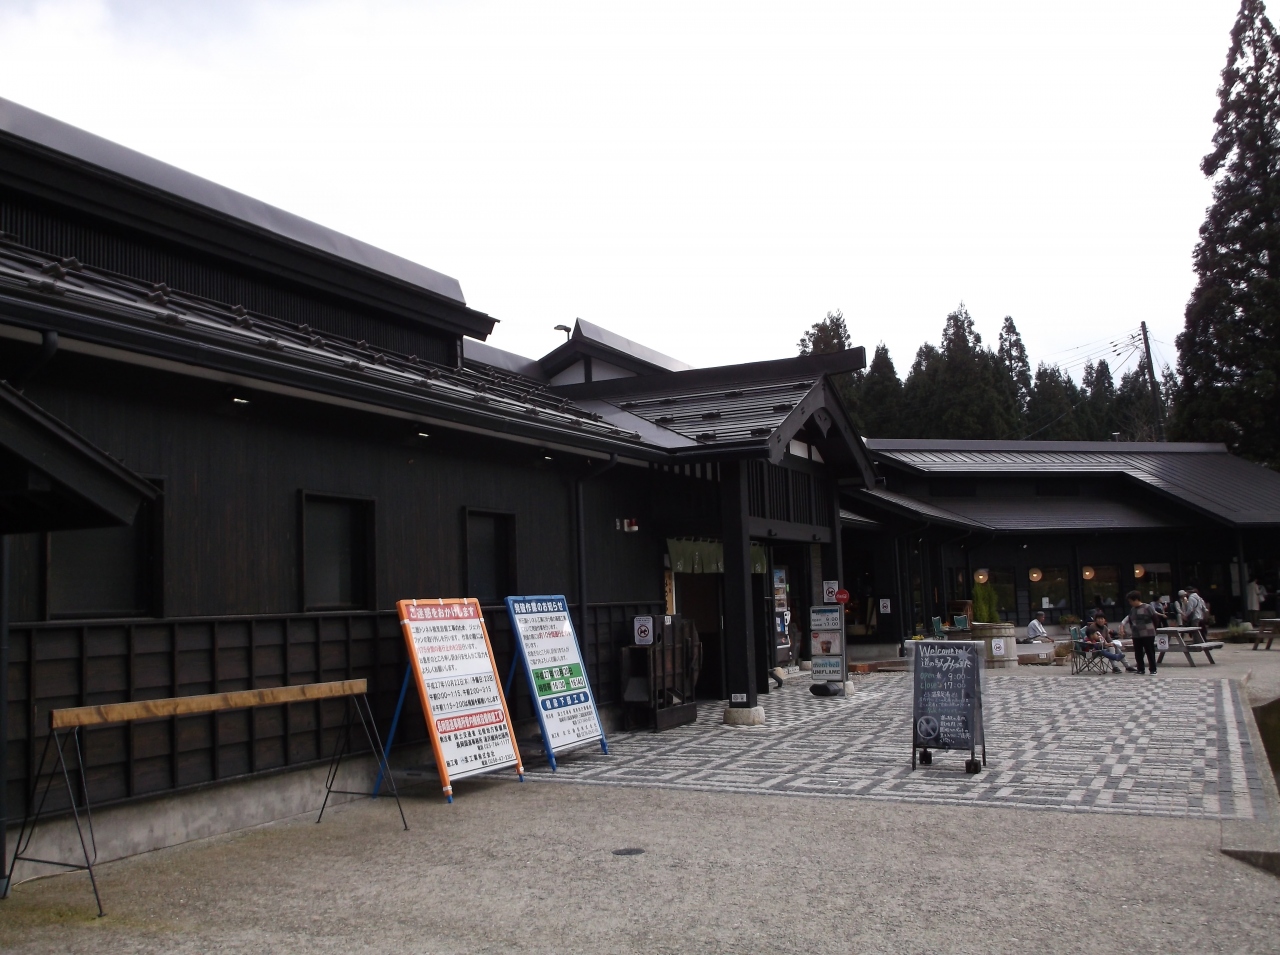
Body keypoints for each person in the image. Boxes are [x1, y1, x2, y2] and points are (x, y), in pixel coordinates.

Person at [1126, 590, 1165, 675]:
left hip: (1148, 633)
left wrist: (1153, 628)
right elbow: (1130, 620)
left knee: (1149, 651)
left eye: (1131, 601)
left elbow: (1155, 619)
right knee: (1138, 652)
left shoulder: (1147, 607)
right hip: (1136, 634)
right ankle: (1140, 669)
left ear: (1136, 599)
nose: (1130, 603)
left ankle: (1153, 669)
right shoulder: (1132, 609)